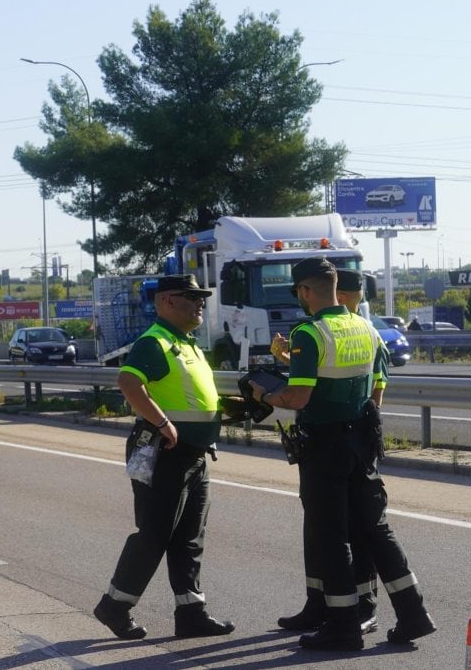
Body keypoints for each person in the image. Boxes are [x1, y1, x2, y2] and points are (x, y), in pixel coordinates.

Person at [249, 257, 436, 651]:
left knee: (331, 536)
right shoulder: (365, 327)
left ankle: (342, 626)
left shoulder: (309, 332)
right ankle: (413, 614)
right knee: (376, 529)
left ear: (304, 291)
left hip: (325, 445)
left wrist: (263, 393)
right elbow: (370, 390)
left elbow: (297, 396)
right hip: (362, 441)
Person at [92, 274, 235, 641]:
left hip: (196, 454)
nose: (200, 302)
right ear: (167, 301)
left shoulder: (187, 344)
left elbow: (192, 398)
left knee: (189, 536)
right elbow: (128, 382)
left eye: (201, 297)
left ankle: (191, 613)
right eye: (191, 297)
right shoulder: (155, 342)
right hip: (166, 451)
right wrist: (163, 422)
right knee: (154, 534)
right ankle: (115, 605)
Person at [272, 268, 381, 636]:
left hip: (332, 441)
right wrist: (291, 360)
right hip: (354, 439)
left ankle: (353, 611)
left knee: (346, 530)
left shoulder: (317, 330)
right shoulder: (363, 329)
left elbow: (372, 390)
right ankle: (320, 604)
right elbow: (334, 373)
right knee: (321, 527)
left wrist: (266, 395)